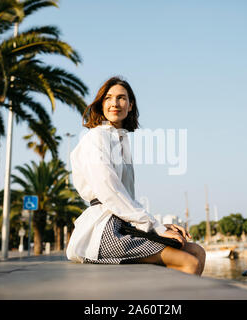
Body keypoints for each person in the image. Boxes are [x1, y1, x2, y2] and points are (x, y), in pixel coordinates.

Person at [66, 76, 206, 275]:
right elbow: (110, 192)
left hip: (124, 225)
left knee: (197, 252)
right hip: (104, 230)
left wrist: (156, 225)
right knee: (188, 262)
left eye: (121, 98)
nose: (115, 103)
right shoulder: (96, 137)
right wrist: (155, 226)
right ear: (101, 104)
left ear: (130, 105)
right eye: (108, 98)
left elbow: (127, 199)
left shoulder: (121, 142)